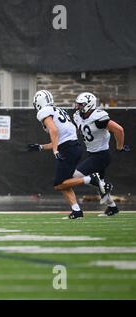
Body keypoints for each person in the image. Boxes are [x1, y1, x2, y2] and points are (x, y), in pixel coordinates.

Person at [27, 90, 111, 220]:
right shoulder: (57, 110)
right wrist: (41, 147)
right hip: (72, 146)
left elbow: (54, 131)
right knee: (65, 183)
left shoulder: (43, 112)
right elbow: (60, 138)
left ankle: (91, 179)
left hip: (67, 149)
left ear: (38, 102)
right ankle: (76, 211)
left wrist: (55, 151)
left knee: (58, 184)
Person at [45, 92, 129, 216]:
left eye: (81, 105)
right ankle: (112, 207)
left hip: (101, 156)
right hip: (93, 154)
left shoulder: (99, 117)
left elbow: (119, 129)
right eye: (77, 104)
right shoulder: (78, 116)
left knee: (72, 178)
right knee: (100, 187)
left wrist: (119, 147)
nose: (78, 107)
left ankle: (102, 186)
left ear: (89, 105)